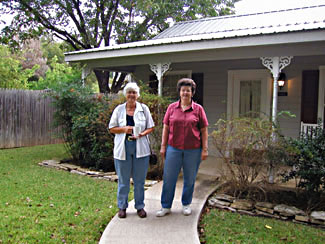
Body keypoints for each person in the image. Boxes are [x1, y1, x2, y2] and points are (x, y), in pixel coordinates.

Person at [156, 78, 209, 217]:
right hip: (173, 148)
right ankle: (166, 206)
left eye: (188, 90)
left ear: (192, 93)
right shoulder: (172, 108)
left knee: (189, 178)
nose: (185, 92)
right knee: (169, 178)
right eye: (183, 90)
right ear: (179, 92)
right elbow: (166, 128)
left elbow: (204, 130)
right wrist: (163, 146)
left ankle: (186, 204)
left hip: (193, 150)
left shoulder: (198, 109)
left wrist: (205, 149)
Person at [109, 82, 154, 218]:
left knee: (140, 181)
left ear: (137, 95)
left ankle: (140, 207)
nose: (131, 95)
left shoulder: (144, 109)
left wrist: (142, 134)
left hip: (141, 147)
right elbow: (111, 128)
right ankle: (122, 207)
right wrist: (125, 129)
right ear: (125, 94)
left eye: (134, 92)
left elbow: (151, 127)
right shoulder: (119, 110)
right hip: (123, 148)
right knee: (123, 180)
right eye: (129, 92)